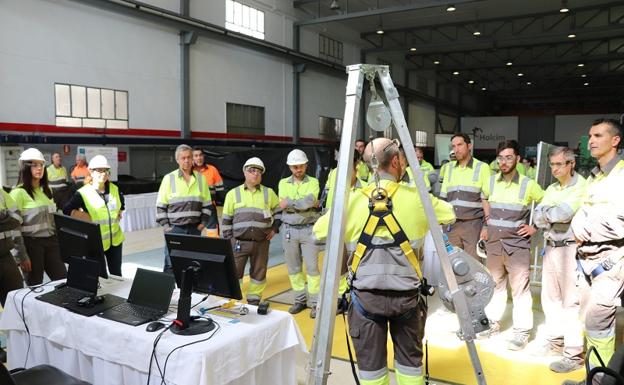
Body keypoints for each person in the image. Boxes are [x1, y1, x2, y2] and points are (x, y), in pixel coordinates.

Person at [313, 138, 455, 385]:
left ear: (368, 167)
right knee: (410, 367)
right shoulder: (417, 200)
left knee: (371, 370)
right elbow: (449, 213)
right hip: (407, 300)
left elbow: (319, 231)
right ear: (398, 161)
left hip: (365, 299)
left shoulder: (352, 200)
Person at [564, 119, 624, 385]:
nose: (591, 140)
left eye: (598, 135)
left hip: (610, 260)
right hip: (586, 261)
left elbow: (618, 221)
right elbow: (585, 210)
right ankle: (594, 377)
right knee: (590, 323)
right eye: (589, 135)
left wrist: (585, 229)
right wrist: (578, 223)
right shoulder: (595, 175)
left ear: (615, 140)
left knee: (599, 322)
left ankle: (602, 382)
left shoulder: (621, 174)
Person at [481, 139, 544, 350]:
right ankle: (492, 323)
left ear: (517, 159)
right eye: (500, 158)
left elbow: (546, 202)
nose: (504, 162)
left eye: (509, 157)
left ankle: (521, 332)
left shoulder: (528, 184)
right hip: (494, 244)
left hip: (517, 245)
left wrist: (535, 226)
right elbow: (484, 198)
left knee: (520, 289)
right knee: (495, 285)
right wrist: (486, 220)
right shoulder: (491, 181)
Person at [532, 146, 586, 373]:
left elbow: (564, 214)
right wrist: (549, 215)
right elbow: (538, 217)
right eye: (552, 164)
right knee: (550, 298)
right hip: (551, 248)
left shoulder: (582, 185)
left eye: (559, 164)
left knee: (571, 302)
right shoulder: (552, 188)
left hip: (570, 249)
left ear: (570, 164)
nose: (554, 169)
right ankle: (556, 342)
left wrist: (548, 214)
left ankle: (573, 354)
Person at [221, 157, 281, 305]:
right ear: (245, 173)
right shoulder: (233, 194)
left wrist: (274, 229)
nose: (255, 174)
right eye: (252, 171)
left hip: (262, 242)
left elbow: (279, 212)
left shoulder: (269, 193)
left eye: (259, 172)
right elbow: (226, 219)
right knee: (235, 273)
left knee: (259, 273)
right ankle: (233, 301)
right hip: (239, 243)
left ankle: (254, 300)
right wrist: (230, 240)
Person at [156, 145, 218, 274]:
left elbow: (207, 205)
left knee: (192, 263)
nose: (187, 161)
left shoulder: (201, 179)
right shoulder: (169, 179)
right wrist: (167, 227)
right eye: (183, 158)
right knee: (171, 264)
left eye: (189, 157)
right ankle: (169, 293)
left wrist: (202, 224)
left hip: (195, 229)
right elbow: (160, 206)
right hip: (175, 229)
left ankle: (189, 292)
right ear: (177, 160)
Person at [10, 148, 66, 285]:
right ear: (25, 167)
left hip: (52, 243)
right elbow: (14, 230)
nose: (39, 168)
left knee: (64, 281)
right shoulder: (18, 193)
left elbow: (54, 220)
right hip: (31, 245)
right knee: (35, 287)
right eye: (34, 165)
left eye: (41, 164)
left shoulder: (47, 191)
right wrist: (21, 256)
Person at [63, 155, 125, 276]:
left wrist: (119, 211)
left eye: (106, 170)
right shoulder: (83, 193)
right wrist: (84, 216)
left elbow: (121, 204)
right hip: (95, 243)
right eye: (99, 170)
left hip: (115, 242)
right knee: (100, 276)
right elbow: (67, 209)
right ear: (91, 171)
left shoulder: (115, 189)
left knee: (117, 275)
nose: (104, 173)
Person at [278, 149, 321, 318]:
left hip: (309, 229)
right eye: (295, 167)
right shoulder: (283, 183)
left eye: (301, 166)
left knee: (312, 268)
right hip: (288, 230)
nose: (298, 170)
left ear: (306, 165)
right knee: (294, 267)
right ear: (290, 167)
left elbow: (309, 201)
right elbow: (289, 203)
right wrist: (304, 203)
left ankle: (316, 303)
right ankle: (299, 300)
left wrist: (291, 203)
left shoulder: (314, 182)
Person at [440, 133, 491, 262]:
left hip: (473, 226)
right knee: (452, 265)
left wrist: (486, 226)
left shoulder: (482, 168)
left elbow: (488, 200)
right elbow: (442, 200)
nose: (456, 149)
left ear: (469, 146)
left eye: (460, 145)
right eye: (453, 146)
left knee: (474, 266)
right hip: (451, 227)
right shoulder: (448, 168)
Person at [0, 188, 27, 305]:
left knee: (16, 299)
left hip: (5, 256)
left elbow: (17, 218)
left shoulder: (1, 193)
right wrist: (4, 216)